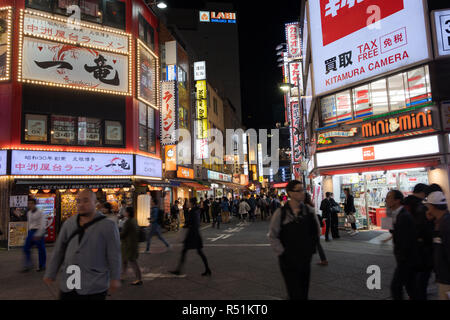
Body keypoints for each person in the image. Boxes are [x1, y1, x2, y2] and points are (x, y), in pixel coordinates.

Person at [43, 190, 121, 300]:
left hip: (94, 283)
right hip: (70, 281)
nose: (81, 204)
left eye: (86, 201)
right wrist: (50, 273)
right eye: (78, 201)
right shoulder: (69, 223)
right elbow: (59, 250)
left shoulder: (108, 225)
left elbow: (114, 253)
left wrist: (115, 278)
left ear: (95, 203)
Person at [268, 180, 320, 300]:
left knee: (304, 290)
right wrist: (282, 253)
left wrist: (310, 250)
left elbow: (316, 232)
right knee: (293, 290)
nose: (302, 193)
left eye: (303, 190)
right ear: (290, 193)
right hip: (287, 260)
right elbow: (273, 235)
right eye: (299, 190)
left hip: (305, 258)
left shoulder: (309, 211)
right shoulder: (281, 213)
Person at [404, 183, 434, 300]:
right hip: (421, 250)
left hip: (406, 249)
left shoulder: (402, 204)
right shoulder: (422, 207)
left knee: (410, 276)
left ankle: (412, 295)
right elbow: (425, 230)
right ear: (423, 193)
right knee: (421, 278)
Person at [387, 190, 417, 300]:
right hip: (404, 258)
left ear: (398, 200)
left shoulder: (404, 216)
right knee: (411, 287)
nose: (386, 200)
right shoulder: (396, 213)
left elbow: (407, 240)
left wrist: (402, 257)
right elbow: (391, 230)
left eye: (389, 197)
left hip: (406, 259)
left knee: (396, 287)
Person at [170, 198, 211, 276]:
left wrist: (186, 226)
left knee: (186, 251)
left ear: (191, 203)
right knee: (198, 252)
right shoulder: (196, 210)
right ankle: (207, 269)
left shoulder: (193, 211)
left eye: (188, 202)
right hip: (196, 234)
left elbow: (191, 223)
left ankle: (179, 270)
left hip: (192, 235)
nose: (187, 203)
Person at [425, 190, 450, 300]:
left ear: (433, 206)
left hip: (447, 277)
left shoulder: (445, 224)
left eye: (428, 206)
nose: (427, 209)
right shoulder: (440, 221)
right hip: (443, 275)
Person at [23, 198, 47, 272]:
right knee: (26, 248)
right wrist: (28, 233)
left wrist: (39, 234)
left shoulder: (40, 212)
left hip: (38, 231)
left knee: (41, 249)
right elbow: (30, 224)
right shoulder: (29, 213)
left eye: (31, 203)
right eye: (28, 204)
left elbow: (43, 224)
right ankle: (28, 265)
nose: (30, 205)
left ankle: (42, 266)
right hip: (31, 232)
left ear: (34, 204)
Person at [120, 207, 142, 286]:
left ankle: (138, 279)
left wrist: (117, 234)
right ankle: (123, 276)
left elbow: (123, 234)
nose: (124, 213)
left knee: (132, 261)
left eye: (125, 211)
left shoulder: (128, 222)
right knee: (124, 261)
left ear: (128, 213)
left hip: (128, 245)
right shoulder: (134, 220)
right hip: (132, 244)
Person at [306, 192, 328, 266]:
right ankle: (324, 259)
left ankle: (323, 260)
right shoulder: (310, 206)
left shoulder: (305, 207)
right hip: (314, 229)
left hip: (311, 230)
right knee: (317, 245)